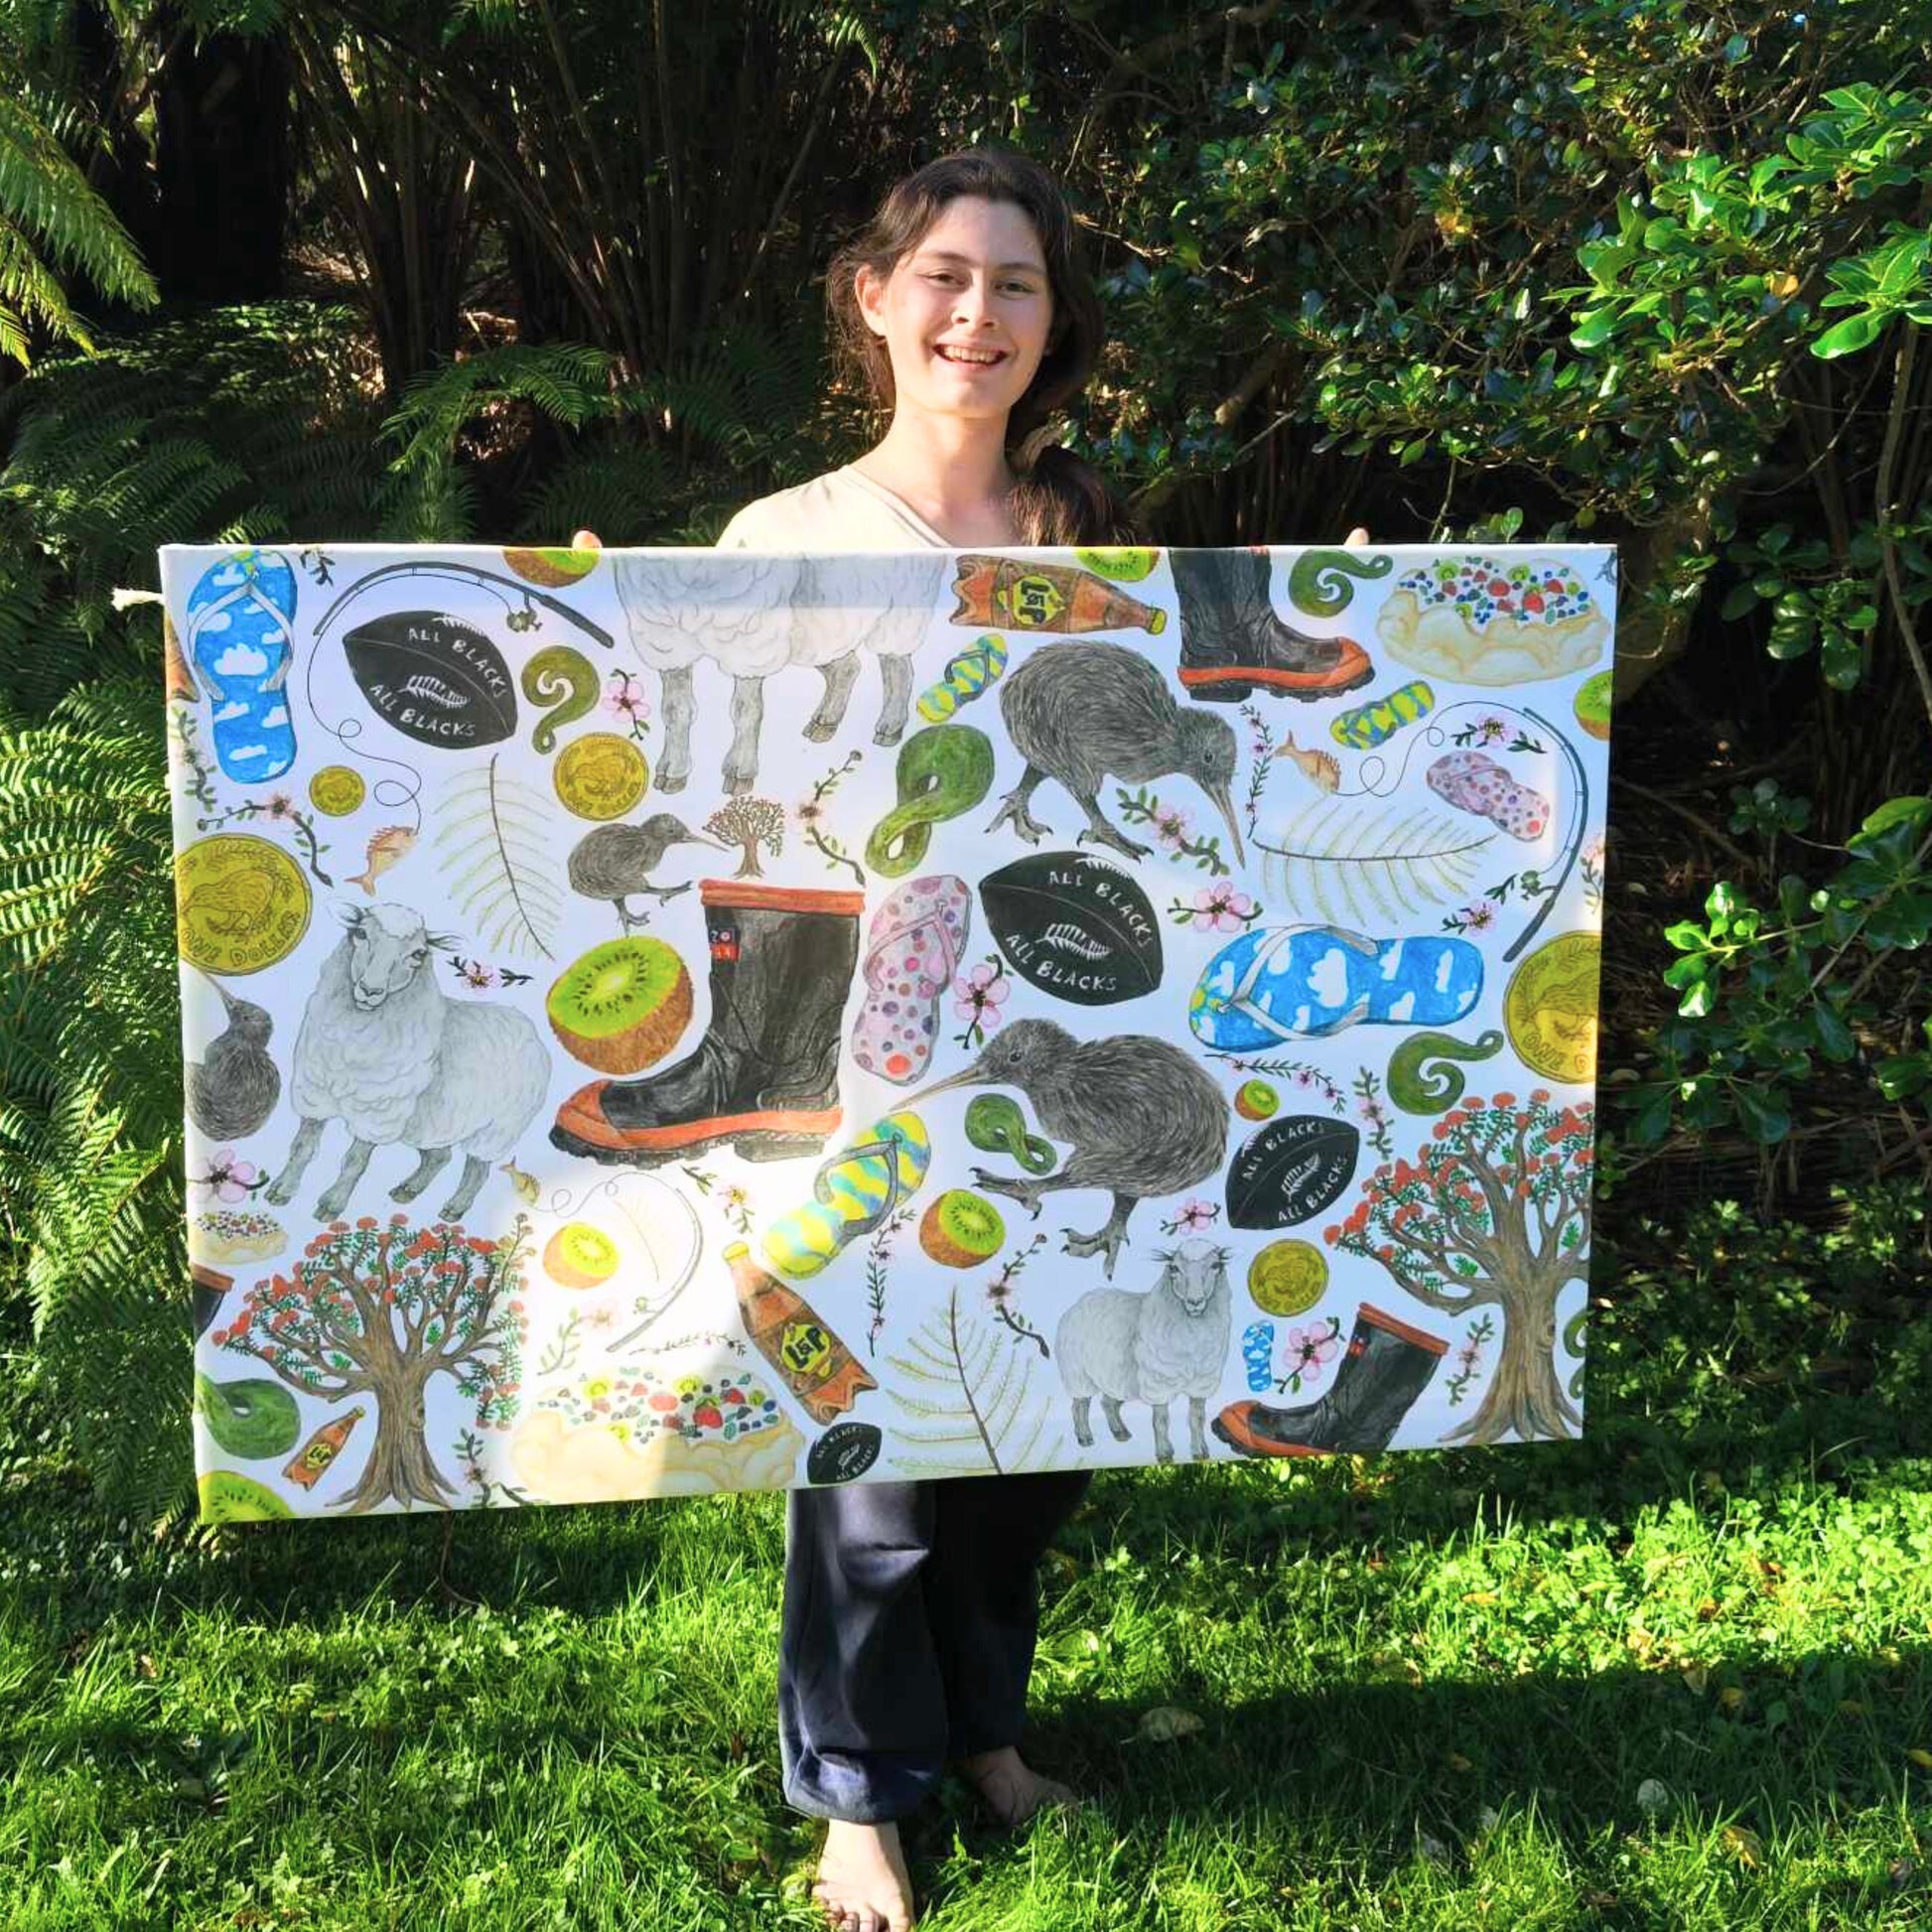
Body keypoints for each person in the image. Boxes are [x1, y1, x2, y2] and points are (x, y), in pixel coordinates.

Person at [575, 147, 1369, 1932]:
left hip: (1072, 1046)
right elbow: (732, 810)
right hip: (860, 1055)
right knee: (873, 1455)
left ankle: (984, 1731)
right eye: (944, 275)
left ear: (1048, 324)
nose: (977, 314)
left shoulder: (1093, 534)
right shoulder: (782, 541)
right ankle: (857, 1798)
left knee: (1035, 1423)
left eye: (1014, 285)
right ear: (874, 299)